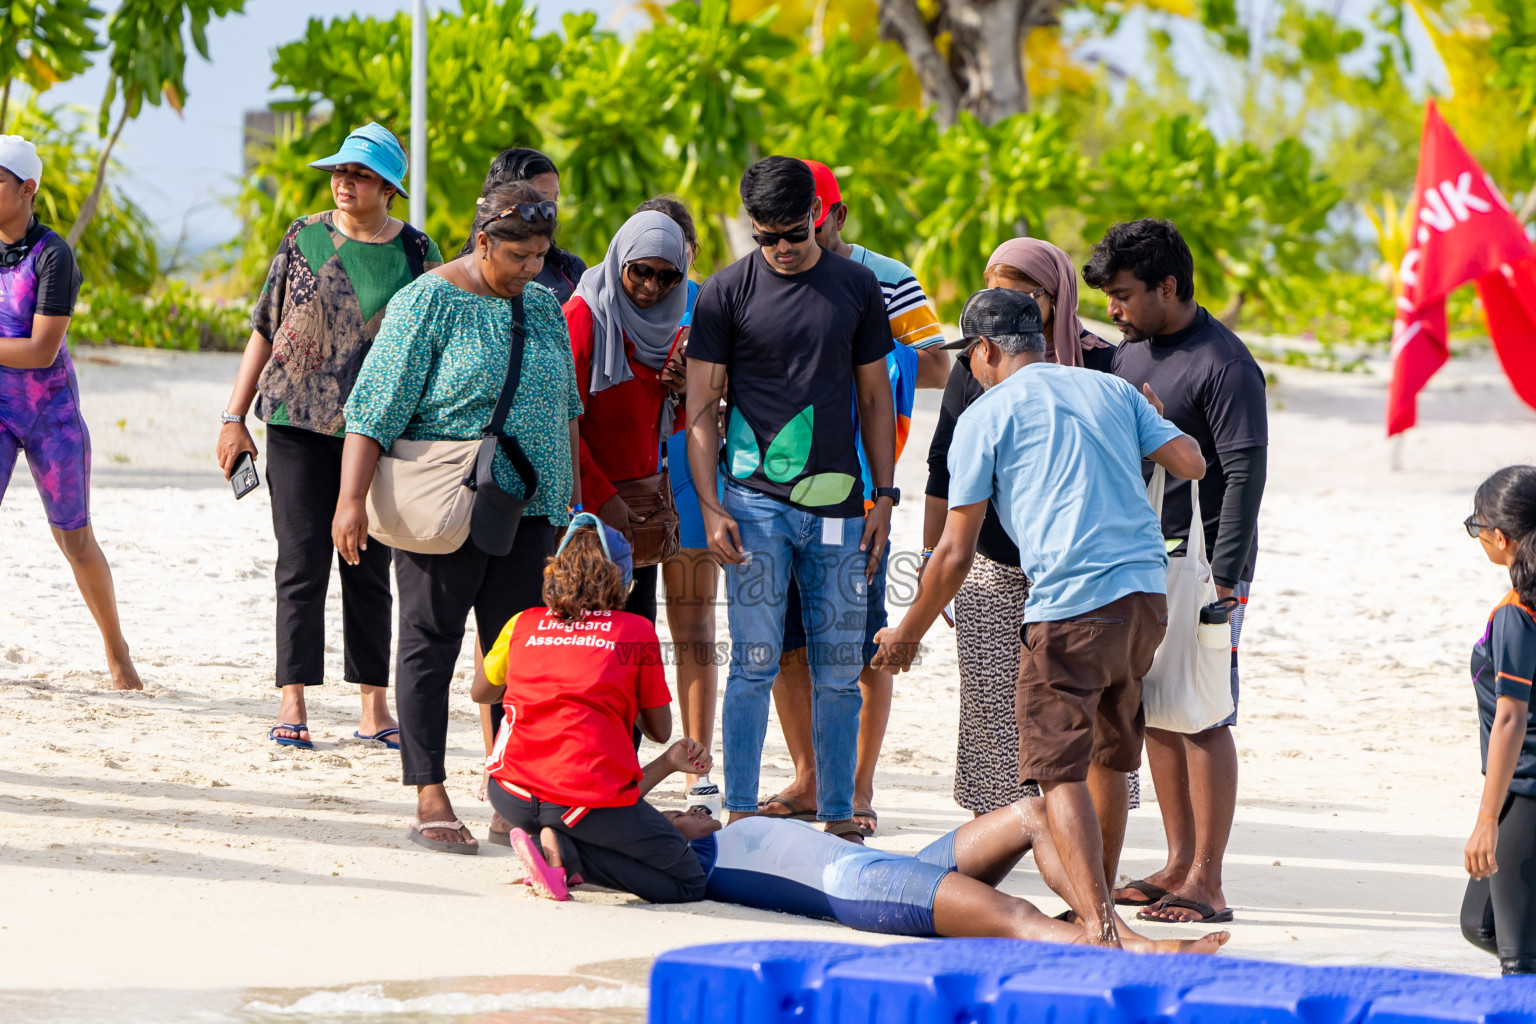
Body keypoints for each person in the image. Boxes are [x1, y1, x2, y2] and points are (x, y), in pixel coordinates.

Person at [872, 288, 1206, 949]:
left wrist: (905, 634)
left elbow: (954, 552)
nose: (969, 370)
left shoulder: (986, 416)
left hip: (1069, 606)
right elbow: (1191, 461)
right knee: (1110, 759)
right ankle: (1098, 902)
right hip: (1144, 600)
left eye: (971, 358)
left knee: (1056, 770)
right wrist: (1152, 419)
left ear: (989, 351)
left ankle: (1100, 926)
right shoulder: (1113, 391)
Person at [333, 179, 583, 854]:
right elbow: (372, 408)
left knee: (521, 660)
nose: (531, 270)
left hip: (530, 511)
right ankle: (429, 794)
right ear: (482, 242)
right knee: (430, 644)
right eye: (518, 257)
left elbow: (566, 415)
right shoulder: (429, 302)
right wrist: (350, 502)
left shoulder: (545, 307)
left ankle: (511, 790)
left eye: (540, 256)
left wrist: (571, 513)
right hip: (447, 504)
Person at [685, 156, 897, 841]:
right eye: (764, 237)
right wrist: (713, 506)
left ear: (819, 215)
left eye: (792, 234)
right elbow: (699, 409)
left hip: (841, 506)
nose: (779, 248)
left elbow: (874, 396)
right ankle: (741, 812)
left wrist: (885, 496)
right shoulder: (725, 292)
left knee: (840, 671)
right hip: (752, 507)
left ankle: (838, 814)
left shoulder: (858, 288)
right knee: (753, 663)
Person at [217, 122, 440, 745]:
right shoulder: (303, 237)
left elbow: (434, 345)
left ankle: (374, 709)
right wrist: (235, 418)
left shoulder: (420, 255)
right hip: (294, 420)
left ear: (389, 186)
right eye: (339, 171)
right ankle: (293, 702)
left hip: (378, 429)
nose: (344, 182)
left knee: (368, 563)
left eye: (359, 173)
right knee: (301, 559)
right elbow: (265, 327)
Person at [602, 744, 1228, 953]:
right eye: (677, 817)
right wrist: (659, 765)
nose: (688, 812)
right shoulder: (696, 863)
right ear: (664, 842)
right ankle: (1136, 949)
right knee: (1015, 917)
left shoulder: (721, 834)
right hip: (862, 889)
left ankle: (1103, 922)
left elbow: (673, 805)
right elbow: (617, 809)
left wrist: (684, 775)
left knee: (1034, 812)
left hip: (897, 867)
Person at [1084, 219, 1268, 925]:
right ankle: (1177, 861)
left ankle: (1209, 881)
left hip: (1205, 567)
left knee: (1204, 715)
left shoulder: (1225, 363)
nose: (1113, 308)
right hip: (1145, 561)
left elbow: (1245, 470)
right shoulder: (1133, 354)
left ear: (1169, 286)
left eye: (1124, 295)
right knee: (1157, 711)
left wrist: (1227, 578)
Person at [763, 160, 950, 835]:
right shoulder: (769, 266)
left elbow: (936, 363)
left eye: (808, 224)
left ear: (836, 217)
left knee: (861, 639)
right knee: (785, 640)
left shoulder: (888, 276)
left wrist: (856, 352)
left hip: (863, 488)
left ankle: (859, 786)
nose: (793, 239)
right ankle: (812, 777)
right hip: (779, 485)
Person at [924, 239, 1119, 817]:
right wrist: (933, 560)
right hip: (991, 564)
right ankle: (999, 836)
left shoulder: (1105, 365)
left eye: (1022, 294)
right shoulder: (975, 360)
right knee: (991, 709)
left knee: (1082, 716)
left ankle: (1083, 849)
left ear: (1055, 296)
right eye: (995, 292)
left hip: (1080, 570)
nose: (1008, 305)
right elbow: (943, 464)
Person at [473, 513, 708, 903]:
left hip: (509, 791)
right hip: (581, 800)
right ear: (623, 579)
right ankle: (570, 856)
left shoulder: (523, 623)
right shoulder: (635, 631)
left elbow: (483, 692)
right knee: (689, 882)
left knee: (578, 811)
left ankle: (553, 841)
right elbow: (659, 729)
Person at [0, 135, 141, 691]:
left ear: (27, 188)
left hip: (50, 417)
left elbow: (39, 350)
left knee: (74, 538)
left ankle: (118, 653)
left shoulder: (53, 255)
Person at [564, 209, 691, 623]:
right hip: (585, 505)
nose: (651, 287)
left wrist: (682, 392)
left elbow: (661, 426)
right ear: (620, 261)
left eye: (668, 276)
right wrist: (603, 499)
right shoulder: (584, 317)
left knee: (635, 632)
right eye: (640, 271)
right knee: (585, 634)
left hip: (641, 507)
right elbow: (561, 421)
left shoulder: (669, 326)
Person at [641, 196, 719, 790]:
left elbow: (745, 392)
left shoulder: (713, 305)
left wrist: (701, 385)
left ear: (690, 253)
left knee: (692, 628)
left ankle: (698, 770)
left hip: (692, 477)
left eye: (675, 254)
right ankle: (616, 754)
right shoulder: (606, 299)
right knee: (618, 624)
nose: (658, 275)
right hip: (627, 480)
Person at [1461, 466, 1536, 975]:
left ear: (1501, 537)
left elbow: (1510, 718)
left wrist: (1486, 822)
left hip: (1527, 793)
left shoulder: (1517, 613)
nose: (1476, 533)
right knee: (1477, 921)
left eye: (1476, 524)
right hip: (1523, 787)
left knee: (1518, 961)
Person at [459, 148, 587, 304]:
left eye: (555, 200)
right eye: (540, 199)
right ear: (502, 199)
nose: (551, 211)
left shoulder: (569, 268)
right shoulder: (457, 279)